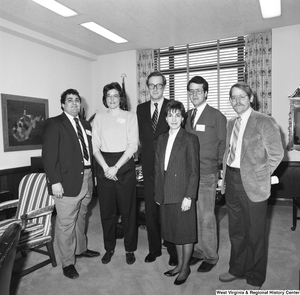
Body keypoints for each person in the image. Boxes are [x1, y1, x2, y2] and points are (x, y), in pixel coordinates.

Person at [219, 82, 284, 289]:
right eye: (233, 97)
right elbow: (228, 152)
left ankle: (256, 276)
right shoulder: (231, 123)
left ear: (251, 98)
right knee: (236, 231)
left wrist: (261, 176)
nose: (237, 101)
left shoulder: (265, 121)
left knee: (255, 233)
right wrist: (223, 176)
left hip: (254, 184)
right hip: (231, 180)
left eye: (242, 97)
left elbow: (277, 154)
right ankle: (237, 268)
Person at [42, 88, 100, 280]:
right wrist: (55, 182)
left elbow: (89, 152)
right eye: (70, 100)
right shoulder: (54, 124)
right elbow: (49, 156)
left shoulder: (85, 124)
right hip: (66, 182)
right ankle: (67, 262)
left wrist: (94, 176)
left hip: (87, 178)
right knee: (66, 223)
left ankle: (81, 249)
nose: (74, 103)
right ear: (62, 104)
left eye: (77, 100)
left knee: (81, 216)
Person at [92, 82, 138, 265]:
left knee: (128, 211)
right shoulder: (98, 118)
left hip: (124, 166)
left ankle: (130, 249)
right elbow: (95, 146)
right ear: (105, 99)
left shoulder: (130, 117)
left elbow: (133, 145)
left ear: (121, 98)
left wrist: (116, 167)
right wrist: (105, 168)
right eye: (108, 96)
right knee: (107, 212)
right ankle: (109, 248)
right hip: (104, 167)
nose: (112, 99)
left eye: (115, 95)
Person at [154, 100, 200, 285]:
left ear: (183, 118)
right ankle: (180, 265)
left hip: (182, 194)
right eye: (170, 114)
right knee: (174, 232)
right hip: (166, 192)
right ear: (165, 118)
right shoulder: (161, 139)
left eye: (178, 115)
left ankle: (185, 267)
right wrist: (158, 194)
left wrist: (189, 196)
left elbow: (194, 171)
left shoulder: (190, 139)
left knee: (185, 233)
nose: (174, 118)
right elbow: (158, 168)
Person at [185, 76, 227, 272]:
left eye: (198, 91)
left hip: (207, 174)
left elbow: (223, 145)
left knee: (207, 215)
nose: (194, 94)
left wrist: (217, 169)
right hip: (189, 174)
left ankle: (211, 256)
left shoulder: (216, 116)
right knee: (193, 214)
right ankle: (199, 250)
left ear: (206, 93)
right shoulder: (186, 116)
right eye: (191, 91)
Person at [137, 71, 178, 265]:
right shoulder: (140, 109)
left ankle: (172, 250)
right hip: (147, 166)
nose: (155, 89)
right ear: (147, 86)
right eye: (151, 85)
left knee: (168, 210)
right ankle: (154, 249)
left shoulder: (173, 107)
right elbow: (140, 138)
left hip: (168, 166)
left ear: (164, 86)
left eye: (159, 85)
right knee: (151, 210)